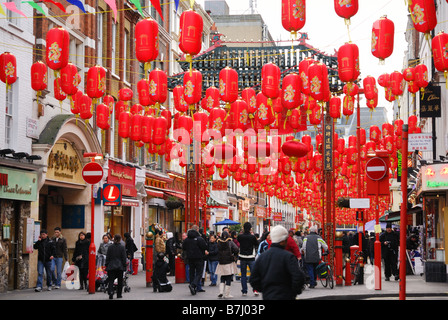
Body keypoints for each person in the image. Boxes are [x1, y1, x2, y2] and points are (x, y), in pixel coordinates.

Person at [250, 225, 305, 300]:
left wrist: (265, 290)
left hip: (268, 296)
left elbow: (253, 279)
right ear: (283, 241)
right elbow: (298, 276)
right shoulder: (288, 257)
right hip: (286, 295)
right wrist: (294, 291)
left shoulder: (263, 257)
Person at [182, 225, 208, 295]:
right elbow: (204, 246)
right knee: (199, 272)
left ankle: (192, 285)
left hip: (190, 258)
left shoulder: (187, 240)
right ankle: (193, 285)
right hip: (199, 258)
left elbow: (183, 247)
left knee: (191, 272)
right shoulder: (199, 238)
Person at [236, 222, 259, 296]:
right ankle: (255, 289)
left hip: (242, 257)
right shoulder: (252, 237)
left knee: (243, 275)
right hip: (251, 257)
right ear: (250, 228)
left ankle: (244, 291)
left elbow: (239, 242)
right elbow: (256, 244)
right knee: (253, 274)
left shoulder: (240, 236)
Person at [215, 231, 239, 298]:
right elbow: (236, 249)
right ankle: (227, 294)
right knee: (228, 277)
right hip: (229, 261)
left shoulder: (218, 242)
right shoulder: (230, 242)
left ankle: (221, 292)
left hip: (221, 262)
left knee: (222, 277)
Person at [105, 234, 127, 299]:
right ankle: (119, 294)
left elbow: (108, 257)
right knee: (120, 281)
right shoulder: (122, 247)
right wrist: (124, 265)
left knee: (111, 280)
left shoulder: (110, 247)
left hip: (111, 266)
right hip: (119, 267)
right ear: (120, 239)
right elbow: (124, 257)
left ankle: (111, 292)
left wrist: (107, 264)